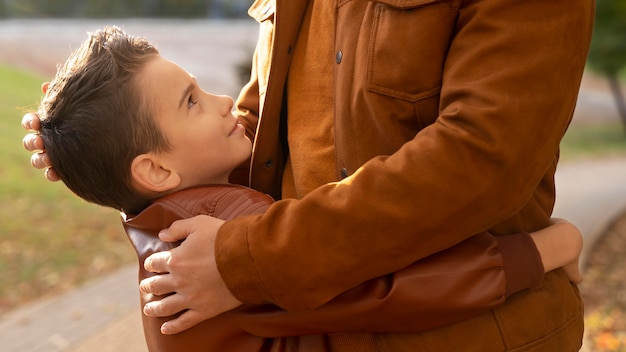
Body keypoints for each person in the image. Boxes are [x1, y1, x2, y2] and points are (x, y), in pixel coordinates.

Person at [23, 0, 594, 348]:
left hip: (474, 340)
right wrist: (90, 141)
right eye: (194, 100)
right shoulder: (205, 237)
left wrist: (113, 157)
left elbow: (483, 155)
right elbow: (270, 122)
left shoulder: (199, 234)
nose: (222, 102)